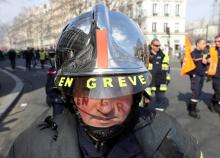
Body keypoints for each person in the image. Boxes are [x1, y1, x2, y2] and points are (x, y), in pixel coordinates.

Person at [8, 4, 203, 158]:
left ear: (137, 94)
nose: (105, 108)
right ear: (68, 93)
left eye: (119, 88)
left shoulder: (171, 137)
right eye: (89, 88)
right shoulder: (30, 148)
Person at [186, 39, 207, 119]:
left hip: (202, 75)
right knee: (195, 92)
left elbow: (209, 61)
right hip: (196, 76)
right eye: (203, 43)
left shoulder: (203, 53)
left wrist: (207, 61)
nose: (204, 45)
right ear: (198, 44)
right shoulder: (192, 54)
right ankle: (192, 110)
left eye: (205, 43)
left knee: (198, 92)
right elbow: (185, 64)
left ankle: (191, 106)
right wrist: (192, 74)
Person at [147, 39, 170, 109]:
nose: (158, 47)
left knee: (160, 97)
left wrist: (168, 78)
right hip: (149, 80)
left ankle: (160, 111)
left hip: (161, 80)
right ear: (151, 46)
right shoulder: (146, 55)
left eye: (159, 45)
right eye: (156, 45)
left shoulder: (163, 56)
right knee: (145, 98)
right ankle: (143, 110)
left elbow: (167, 68)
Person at [207, 35, 220, 114]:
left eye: (218, 41)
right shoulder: (213, 50)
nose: (217, 43)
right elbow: (205, 59)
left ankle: (212, 102)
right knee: (219, 91)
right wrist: (207, 59)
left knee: (217, 93)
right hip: (216, 75)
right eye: (215, 41)